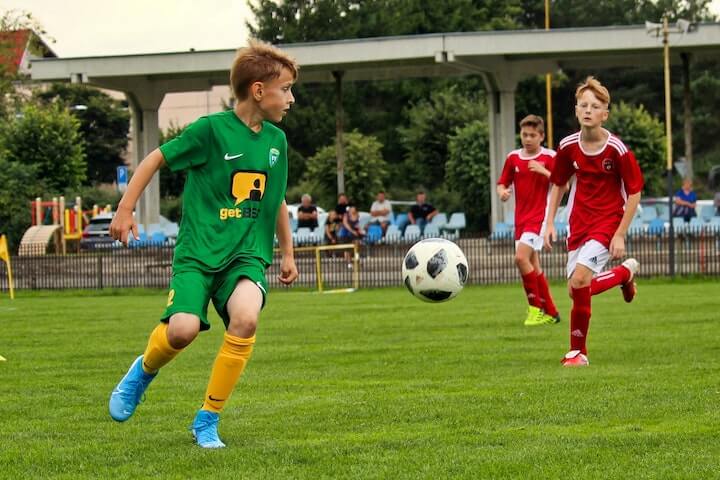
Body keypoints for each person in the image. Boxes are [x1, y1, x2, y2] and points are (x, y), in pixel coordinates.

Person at [107, 40, 299, 448]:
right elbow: (154, 158)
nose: (291, 98)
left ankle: (207, 419)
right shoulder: (210, 131)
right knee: (182, 331)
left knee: (246, 318)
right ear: (259, 90)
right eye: (286, 89)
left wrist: (287, 252)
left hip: (245, 257)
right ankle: (143, 371)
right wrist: (125, 210)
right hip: (197, 254)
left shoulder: (276, 142)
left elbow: (277, 198)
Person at [544, 76, 643, 367]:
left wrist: (620, 234)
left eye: (595, 106)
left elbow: (635, 192)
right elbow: (558, 184)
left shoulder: (617, 150)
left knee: (579, 280)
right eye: (583, 105)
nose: (588, 110)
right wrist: (549, 223)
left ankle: (577, 353)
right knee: (575, 289)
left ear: (605, 114)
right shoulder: (567, 146)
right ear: (576, 110)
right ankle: (623, 275)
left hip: (608, 221)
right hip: (578, 223)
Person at [497, 114, 560, 327]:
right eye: (524, 134)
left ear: (541, 136)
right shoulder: (513, 157)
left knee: (520, 259)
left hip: (539, 218)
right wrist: (503, 192)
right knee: (534, 264)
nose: (528, 139)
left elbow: (564, 185)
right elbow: (502, 183)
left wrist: (543, 170)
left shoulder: (550, 157)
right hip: (521, 220)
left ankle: (535, 309)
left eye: (532, 135)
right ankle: (551, 311)